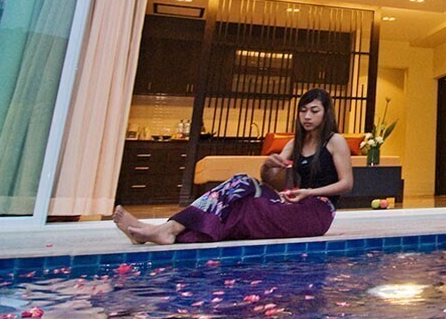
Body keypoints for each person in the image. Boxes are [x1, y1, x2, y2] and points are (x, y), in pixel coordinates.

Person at [113, 88, 354, 245]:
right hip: (294, 204)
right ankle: (165, 230)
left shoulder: (335, 141)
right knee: (241, 189)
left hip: (317, 213)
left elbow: (346, 184)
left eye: (314, 111)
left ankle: (163, 229)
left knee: (244, 204)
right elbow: (271, 180)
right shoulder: (294, 143)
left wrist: (309, 193)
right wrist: (269, 166)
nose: (307, 116)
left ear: (325, 114)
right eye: (303, 111)